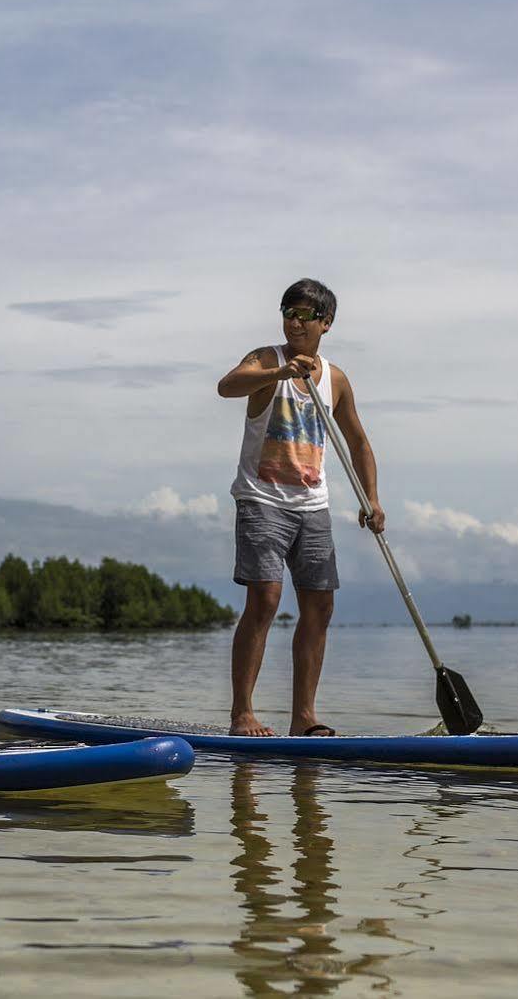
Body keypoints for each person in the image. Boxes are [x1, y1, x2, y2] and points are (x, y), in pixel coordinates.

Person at [216, 278, 383, 737]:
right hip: (261, 498)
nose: (295, 320)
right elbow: (227, 386)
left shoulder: (337, 379)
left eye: (306, 314)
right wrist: (280, 374)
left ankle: (304, 717)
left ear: (326, 324)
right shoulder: (266, 358)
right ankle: (242, 714)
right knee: (265, 600)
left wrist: (372, 499)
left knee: (320, 607)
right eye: (289, 311)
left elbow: (359, 442)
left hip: (313, 505)